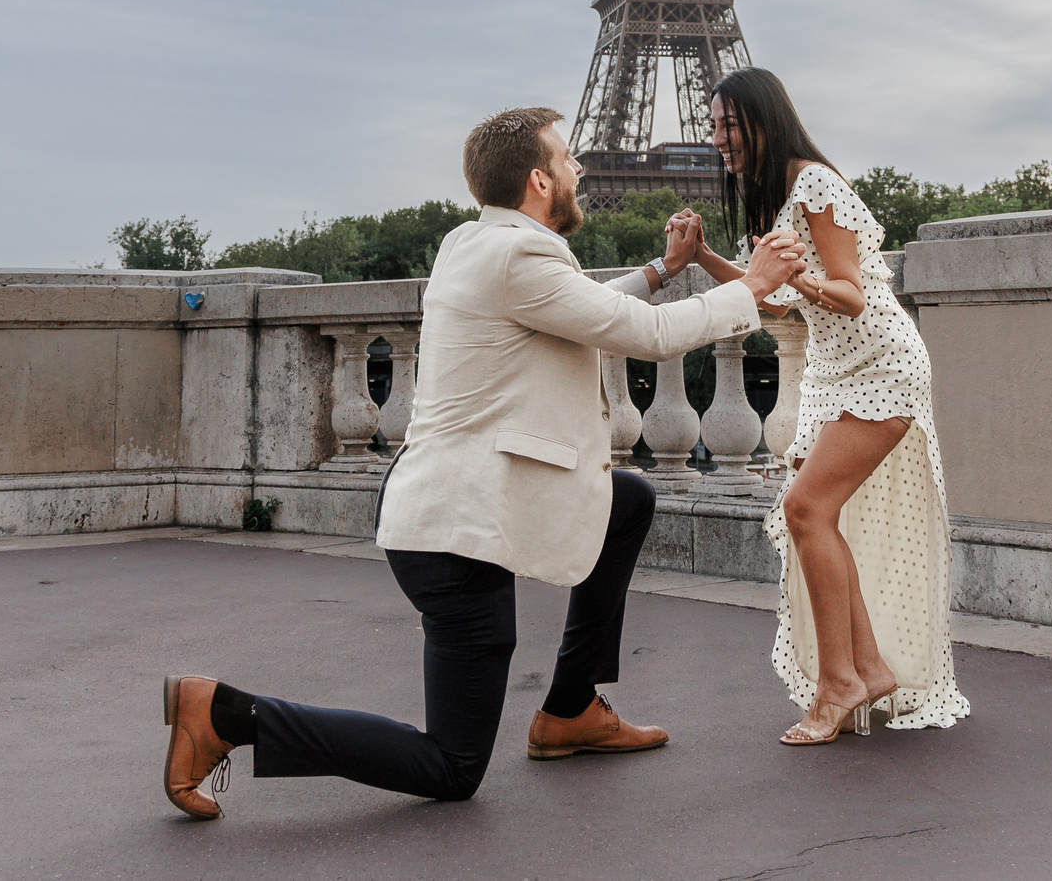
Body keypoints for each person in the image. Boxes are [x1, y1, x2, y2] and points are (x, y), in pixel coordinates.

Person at [162, 105, 807, 818]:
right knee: (452, 765)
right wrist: (748, 287)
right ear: (538, 180)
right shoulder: (520, 256)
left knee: (626, 498)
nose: (580, 168)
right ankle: (227, 716)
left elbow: (582, 307)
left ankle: (571, 706)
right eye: (567, 160)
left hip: (443, 508)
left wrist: (663, 268)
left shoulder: (473, 243)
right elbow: (646, 335)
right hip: (455, 535)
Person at [684, 68, 970, 743]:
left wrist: (799, 273)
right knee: (816, 514)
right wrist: (703, 256)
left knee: (805, 508)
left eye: (727, 123)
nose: (717, 136)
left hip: (880, 363)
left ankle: (842, 679)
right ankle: (865, 668)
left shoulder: (812, 183)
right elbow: (775, 298)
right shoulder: (777, 195)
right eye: (714, 124)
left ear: (761, 118)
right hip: (833, 370)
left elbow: (849, 293)